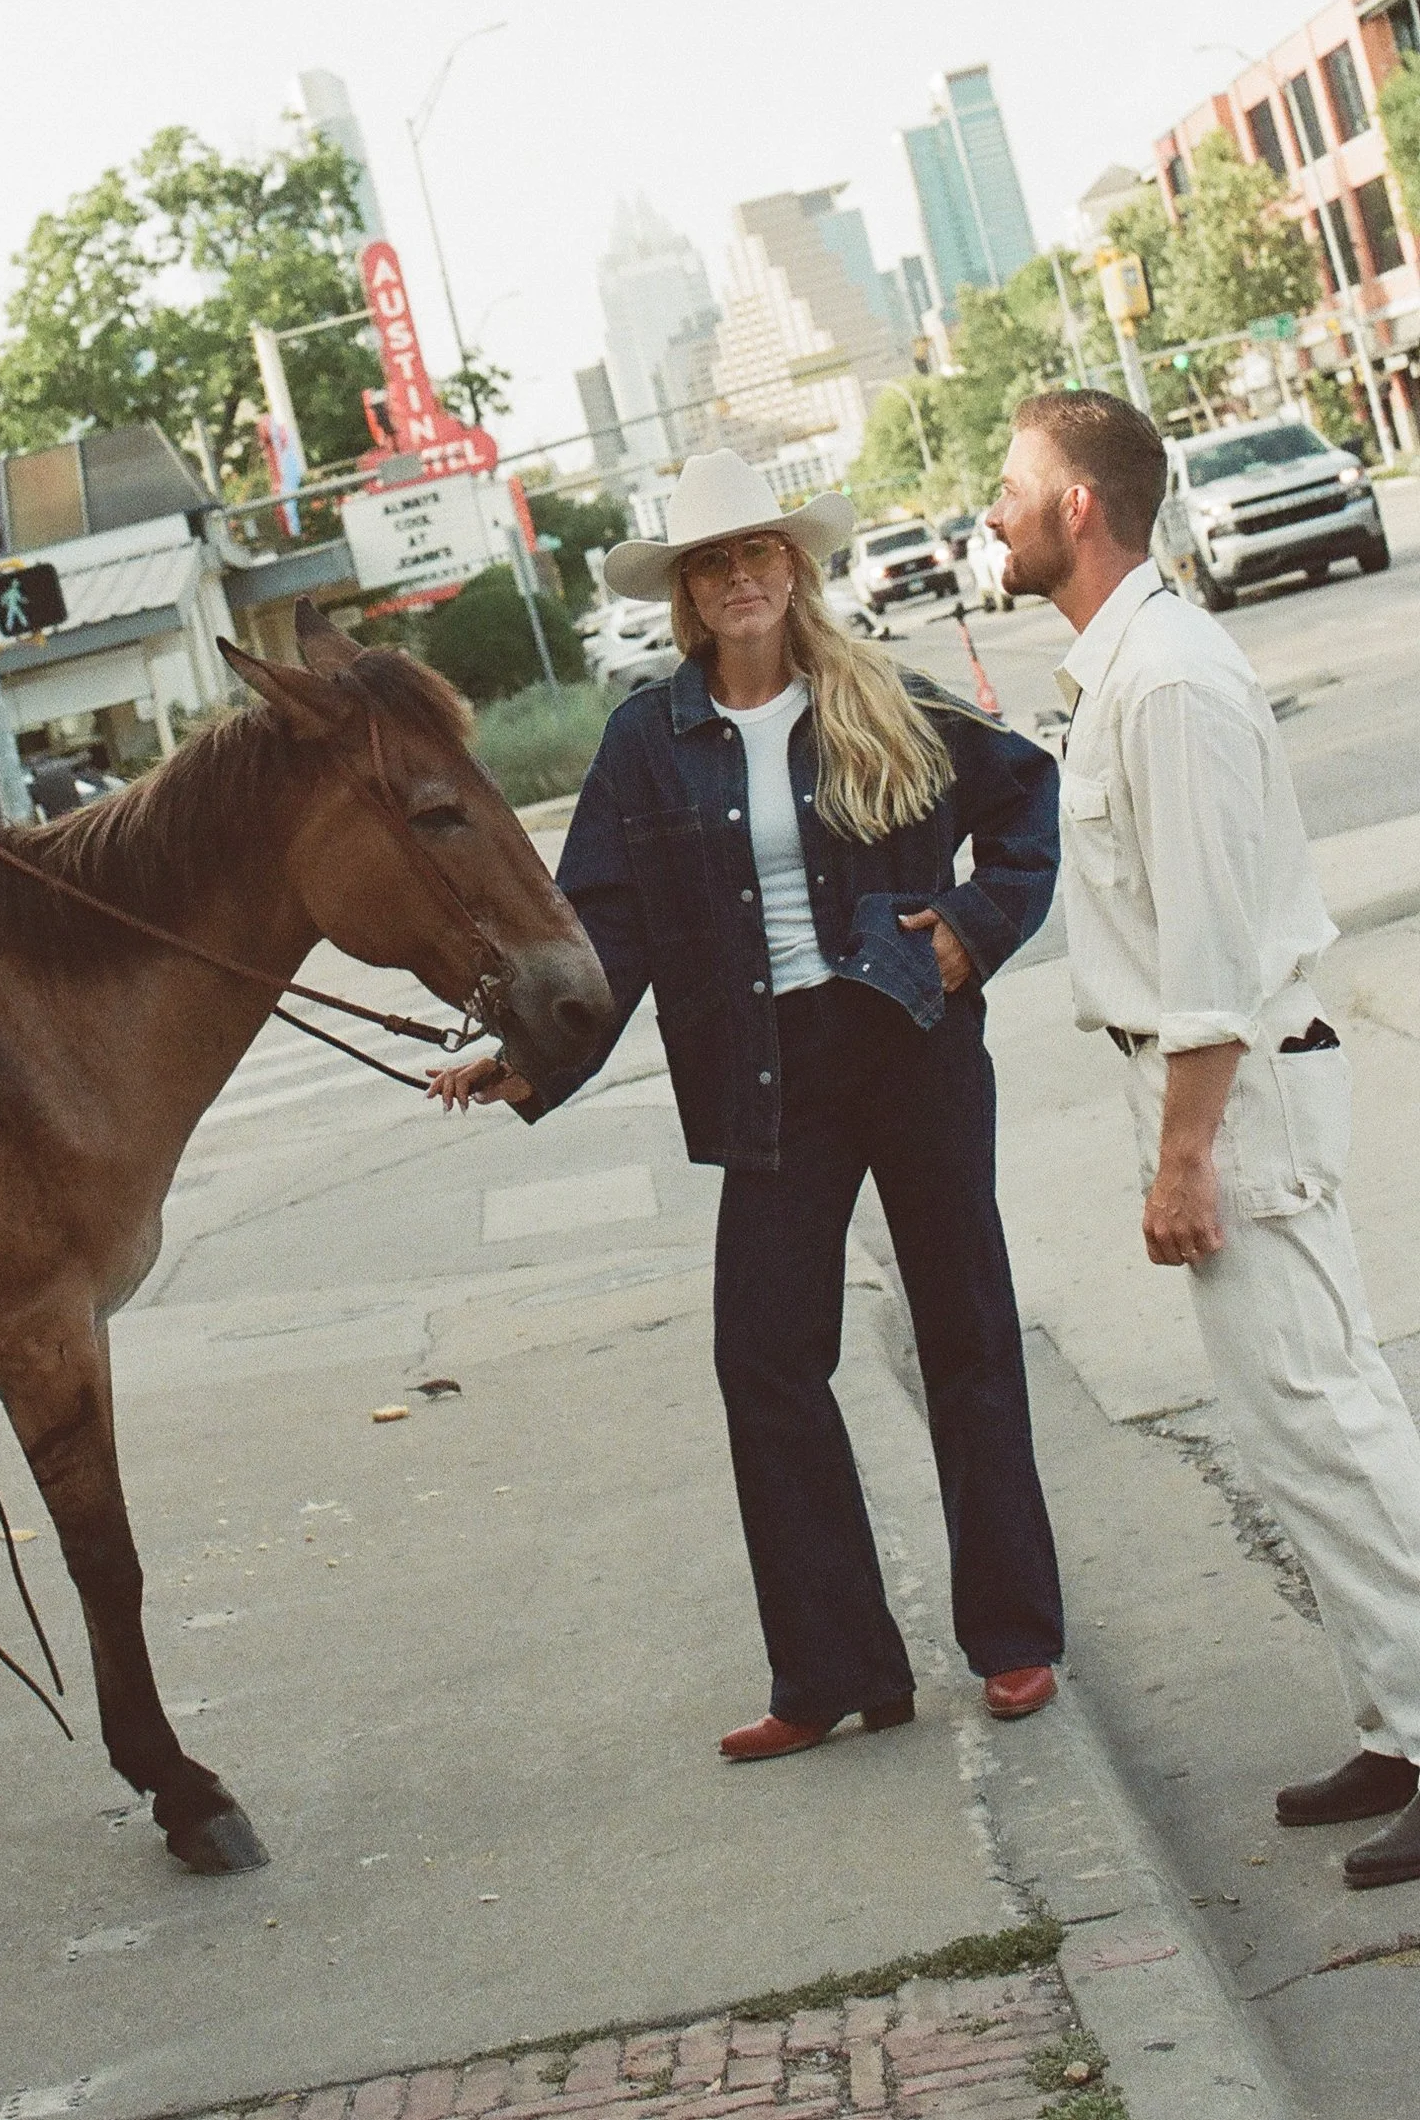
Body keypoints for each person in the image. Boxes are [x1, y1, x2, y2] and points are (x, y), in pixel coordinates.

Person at [432, 449, 1065, 1757]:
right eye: (710, 563)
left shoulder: (878, 692)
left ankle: (1011, 1640)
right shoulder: (644, 744)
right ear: (687, 593)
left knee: (967, 1335)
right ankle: (836, 1670)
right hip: (770, 1068)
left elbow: (1026, 803)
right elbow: (600, 932)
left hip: (909, 1034)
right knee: (765, 1360)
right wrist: (531, 1058)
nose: (737, 579)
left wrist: (969, 930)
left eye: (757, 553)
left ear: (794, 566)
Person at [987, 388, 1420, 1892]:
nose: (992, 511)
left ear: (1081, 509)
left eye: (1010, 485)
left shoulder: (1165, 680)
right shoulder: (1126, 667)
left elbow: (1216, 951)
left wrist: (1183, 1157)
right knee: (1301, 1420)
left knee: (1329, 1422)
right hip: (1214, 1092)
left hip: (1233, 1099)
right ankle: (1395, 1718)